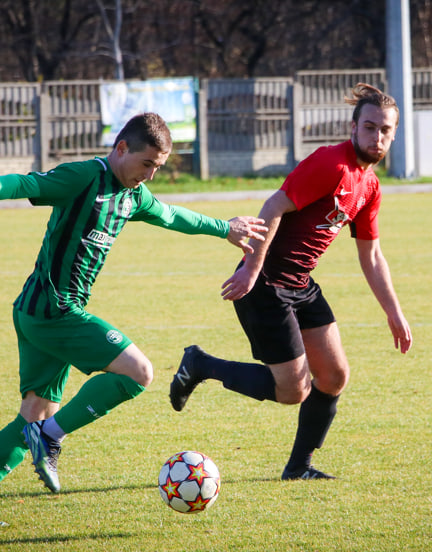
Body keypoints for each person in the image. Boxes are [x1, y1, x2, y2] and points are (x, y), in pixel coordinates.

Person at [0, 112, 267, 527]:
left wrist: (225, 228)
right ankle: (52, 437)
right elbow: (24, 183)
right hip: (55, 310)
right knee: (139, 373)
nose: (149, 176)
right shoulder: (84, 177)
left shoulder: (133, 196)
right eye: (146, 164)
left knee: (34, 412)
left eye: (158, 169)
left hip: (37, 312)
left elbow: (172, 216)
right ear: (122, 148)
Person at [169, 84, 413, 480]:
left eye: (386, 130)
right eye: (370, 127)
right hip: (265, 281)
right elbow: (274, 206)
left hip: (300, 282)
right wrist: (250, 267)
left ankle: (299, 468)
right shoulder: (331, 164)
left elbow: (371, 254)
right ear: (353, 126)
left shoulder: (369, 185)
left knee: (334, 376)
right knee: (293, 391)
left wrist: (394, 313)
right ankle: (200, 364)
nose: (377, 137)